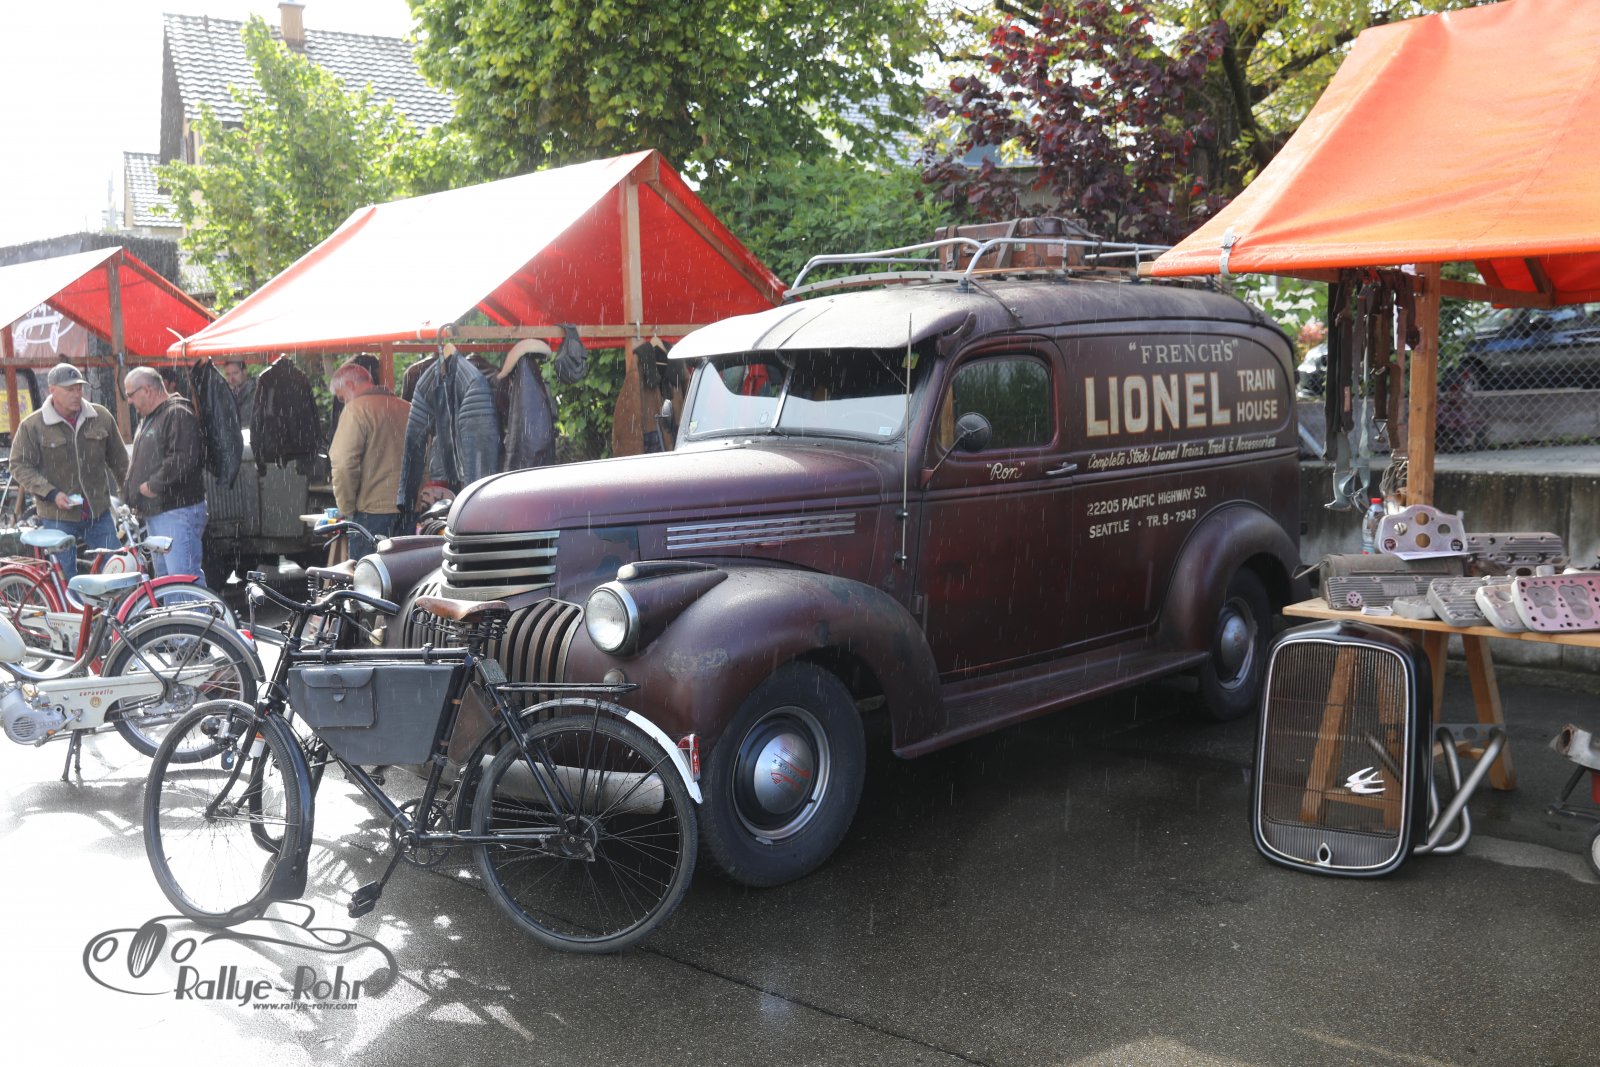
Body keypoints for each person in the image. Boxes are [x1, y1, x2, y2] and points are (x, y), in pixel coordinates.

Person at [9, 363, 129, 577]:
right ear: (52, 390)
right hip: (57, 516)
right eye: (69, 389)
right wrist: (51, 493)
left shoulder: (100, 417)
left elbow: (120, 462)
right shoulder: (33, 425)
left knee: (117, 570)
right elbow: (18, 465)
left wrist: (129, 496)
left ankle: (111, 601)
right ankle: (71, 601)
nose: (76, 394)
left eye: (79, 388)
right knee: (64, 577)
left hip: (98, 512)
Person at [122, 366, 208, 585]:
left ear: (147, 390)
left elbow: (183, 457)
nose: (129, 401)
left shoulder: (177, 413)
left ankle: (194, 610)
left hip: (176, 511)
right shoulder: (155, 416)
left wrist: (152, 486)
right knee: (168, 583)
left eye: (130, 395)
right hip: (161, 512)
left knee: (182, 580)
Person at [328, 361, 411, 557]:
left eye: (342, 397)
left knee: (368, 573)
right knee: (405, 571)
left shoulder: (356, 410)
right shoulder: (407, 408)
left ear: (350, 385)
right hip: (409, 508)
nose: (344, 403)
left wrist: (346, 507)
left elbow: (343, 465)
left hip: (372, 513)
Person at [223, 359, 257, 426]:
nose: (231, 378)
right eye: (228, 374)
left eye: (235, 373)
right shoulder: (229, 393)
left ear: (244, 372)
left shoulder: (256, 392)